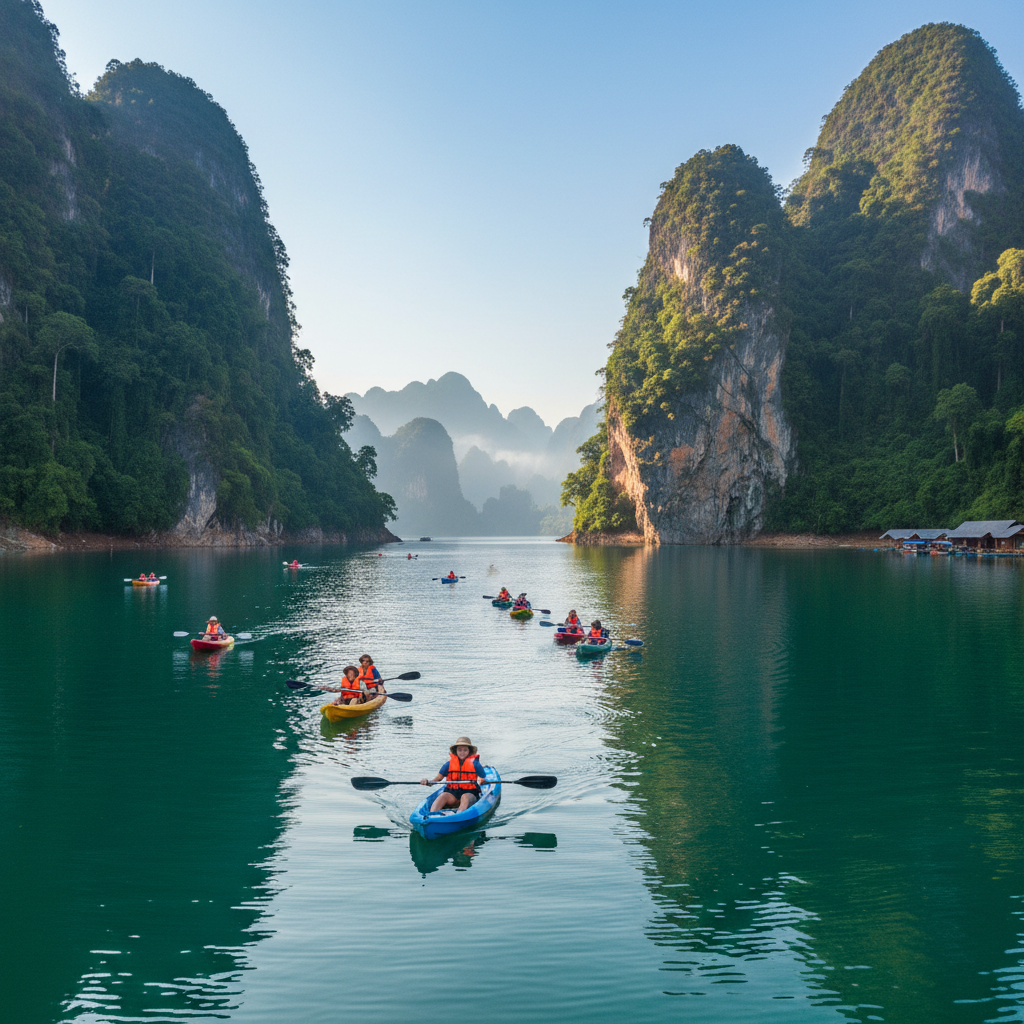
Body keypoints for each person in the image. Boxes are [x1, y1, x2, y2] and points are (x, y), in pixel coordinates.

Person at [420, 737, 487, 812]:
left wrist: (482, 781)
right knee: (443, 795)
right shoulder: (448, 764)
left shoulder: (476, 764)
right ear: (456, 751)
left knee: (465, 797)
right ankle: (432, 815)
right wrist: (427, 781)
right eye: (460, 750)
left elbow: (482, 779)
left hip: (470, 793)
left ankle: (459, 815)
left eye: (465, 750)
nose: (462, 752)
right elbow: (437, 778)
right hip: (452, 795)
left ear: (469, 751)